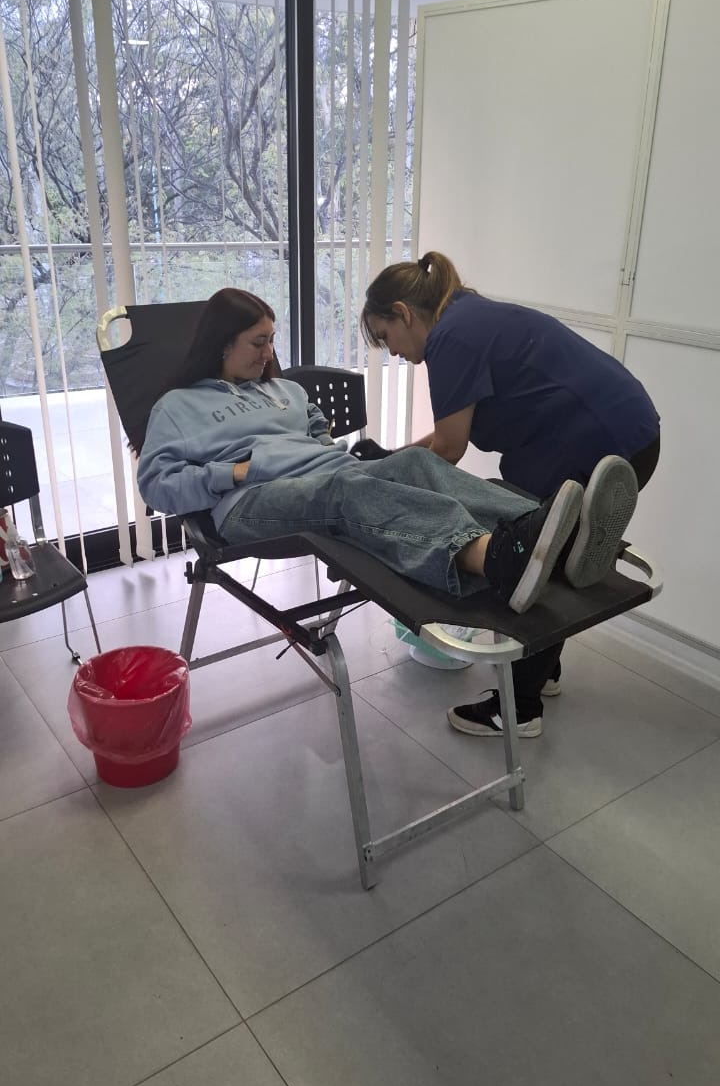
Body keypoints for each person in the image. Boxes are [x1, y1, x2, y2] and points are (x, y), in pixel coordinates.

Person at [136, 288, 639, 622]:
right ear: (221, 344)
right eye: (258, 342)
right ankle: (495, 559)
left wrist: (320, 442)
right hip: (252, 500)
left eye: (271, 340)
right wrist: (234, 472)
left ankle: (562, 535)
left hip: (329, 474)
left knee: (417, 462)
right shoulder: (178, 406)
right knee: (347, 489)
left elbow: (315, 429)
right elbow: (156, 485)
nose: (270, 353)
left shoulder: (284, 390)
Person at [361, 251, 660, 738]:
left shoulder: (450, 338)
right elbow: (449, 435)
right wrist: (395, 458)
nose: (392, 352)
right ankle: (543, 671)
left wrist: (385, 479)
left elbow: (449, 448)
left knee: (528, 559)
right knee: (559, 553)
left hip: (593, 441)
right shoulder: (467, 313)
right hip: (634, 432)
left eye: (385, 336)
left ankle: (518, 709)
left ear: (403, 313)